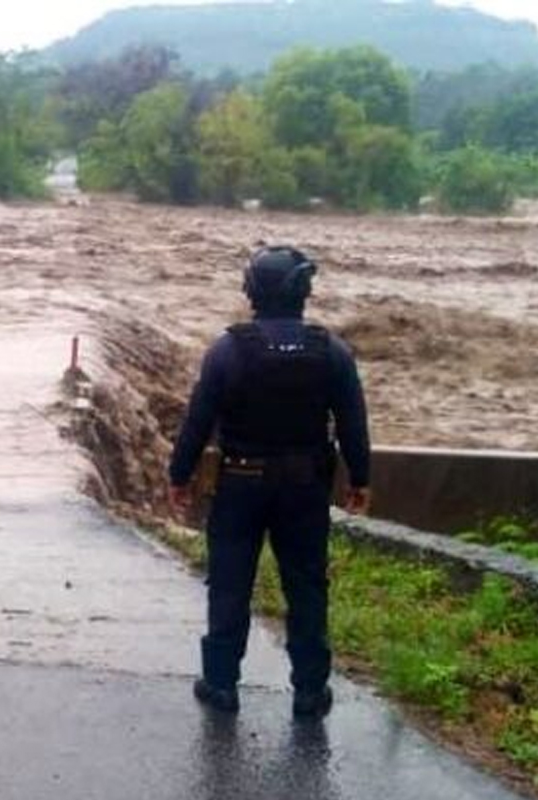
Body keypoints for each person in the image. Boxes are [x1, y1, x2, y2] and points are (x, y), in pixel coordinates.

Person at [168, 245, 371, 719]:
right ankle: (310, 692)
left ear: (251, 290)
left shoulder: (226, 350)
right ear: (304, 292)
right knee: (306, 586)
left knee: (229, 585)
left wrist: (180, 476)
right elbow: (352, 424)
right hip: (304, 490)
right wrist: (360, 477)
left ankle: (220, 685)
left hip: (239, 485)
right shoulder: (332, 351)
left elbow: (196, 422)